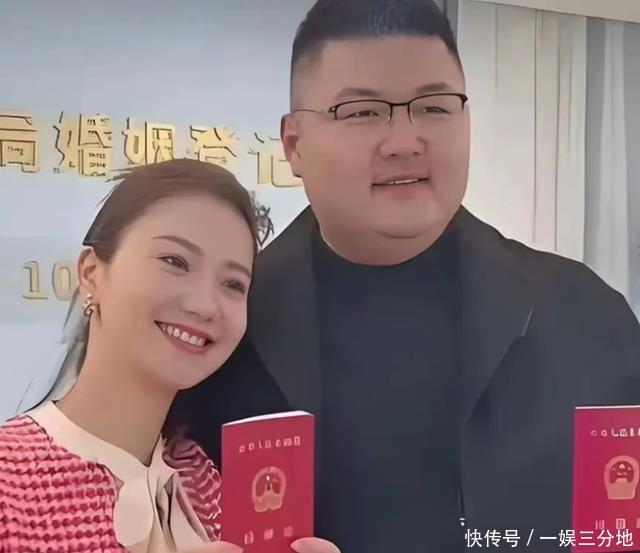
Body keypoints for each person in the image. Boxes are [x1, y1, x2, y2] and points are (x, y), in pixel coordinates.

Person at [183, 1, 640, 552]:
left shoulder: (585, 314)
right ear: (294, 145)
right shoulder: (222, 331)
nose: (403, 141)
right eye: (362, 112)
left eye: (433, 107)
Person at [0, 159, 339, 553]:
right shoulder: (10, 483)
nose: (205, 305)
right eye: (175, 262)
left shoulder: (209, 485)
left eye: (233, 284)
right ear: (91, 272)